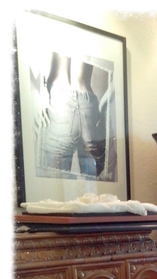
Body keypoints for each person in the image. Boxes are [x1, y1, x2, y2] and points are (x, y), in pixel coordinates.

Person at [32, 50, 115, 181]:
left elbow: (25, 58)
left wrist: (38, 92)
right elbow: (119, 74)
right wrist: (103, 105)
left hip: (58, 103)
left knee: (53, 187)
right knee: (95, 188)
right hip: (89, 104)